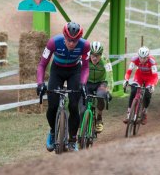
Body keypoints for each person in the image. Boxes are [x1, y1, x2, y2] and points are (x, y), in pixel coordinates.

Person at [36, 22, 90, 152]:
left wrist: (83, 83)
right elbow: (42, 64)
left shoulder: (85, 45)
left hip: (74, 72)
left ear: (79, 39)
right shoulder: (53, 42)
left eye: (75, 40)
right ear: (64, 36)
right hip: (57, 71)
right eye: (69, 40)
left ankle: (72, 139)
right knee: (52, 106)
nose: (71, 43)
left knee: (73, 106)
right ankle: (53, 132)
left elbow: (85, 67)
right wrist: (40, 83)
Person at [80, 41, 113, 134]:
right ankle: (83, 128)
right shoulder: (84, 58)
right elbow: (77, 72)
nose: (95, 58)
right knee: (82, 109)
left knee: (100, 95)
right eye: (93, 55)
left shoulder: (105, 60)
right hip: (87, 82)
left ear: (101, 54)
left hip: (100, 83)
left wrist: (109, 91)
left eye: (97, 55)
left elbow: (110, 76)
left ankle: (99, 117)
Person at [122, 46, 159, 125]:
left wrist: (152, 85)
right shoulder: (135, 59)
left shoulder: (152, 61)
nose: (142, 60)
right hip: (139, 76)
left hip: (150, 78)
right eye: (141, 58)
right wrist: (126, 80)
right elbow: (129, 71)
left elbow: (155, 76)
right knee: (133, 91)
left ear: (148, 57)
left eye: (144, 58)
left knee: (147, 95)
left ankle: (144, 112)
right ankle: (129, 114)